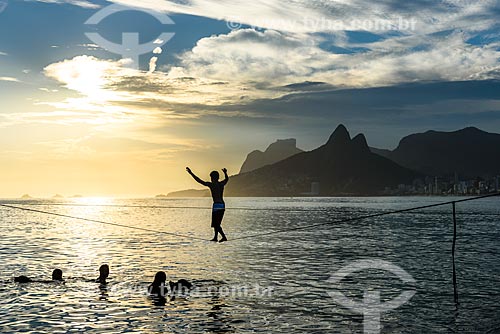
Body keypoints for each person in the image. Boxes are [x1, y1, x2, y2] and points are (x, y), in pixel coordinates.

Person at [186, 167, 229, 242]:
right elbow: (227, 180)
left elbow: (199, 181)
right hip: (222, 205)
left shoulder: (211, 185)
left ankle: (223, 237)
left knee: (216, 224)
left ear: (212, 178)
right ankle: (215, 237)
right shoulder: (221, 184)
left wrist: (191, 173)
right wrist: (225, 173)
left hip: (216, 205)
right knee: (217, 223)